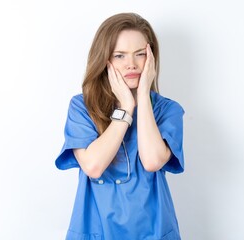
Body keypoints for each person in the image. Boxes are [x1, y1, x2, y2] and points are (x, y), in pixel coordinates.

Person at [56, 12, 185, 240]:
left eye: (140, 54)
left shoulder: (167, 110)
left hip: (153, 229)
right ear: (104, 59)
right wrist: (126, 106)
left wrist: (143, 95)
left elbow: (152, 160)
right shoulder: (82, 107)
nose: (131, 65)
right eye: (119, 56)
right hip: (95, 228)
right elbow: (93, 166)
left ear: (151, 58)